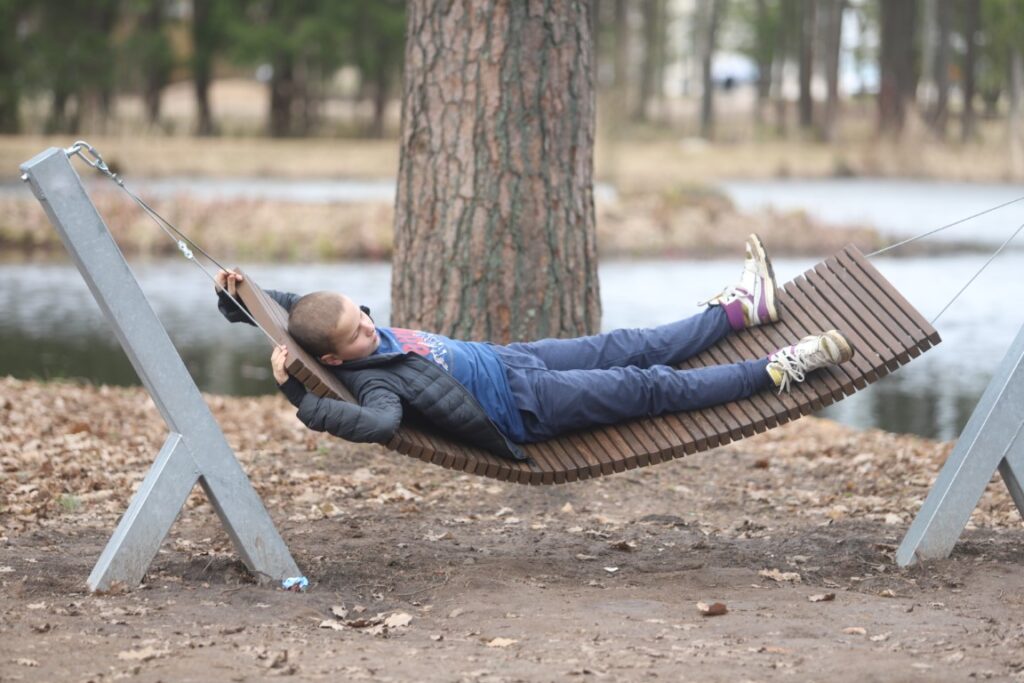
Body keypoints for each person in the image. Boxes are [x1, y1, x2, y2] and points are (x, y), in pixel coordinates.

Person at [215, 235, 853, 461]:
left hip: (511, 359)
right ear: (332, 361)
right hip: (524, 405)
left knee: (628, 343)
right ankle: (777, 369)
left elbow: (297, 313)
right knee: (650, 386)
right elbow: (379, 427)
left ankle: (743, 310)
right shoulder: (377, 385)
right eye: (355, 334)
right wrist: (299, 397)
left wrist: (236, 297)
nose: (367, 329)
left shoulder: (333, 328)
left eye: (362, 315)